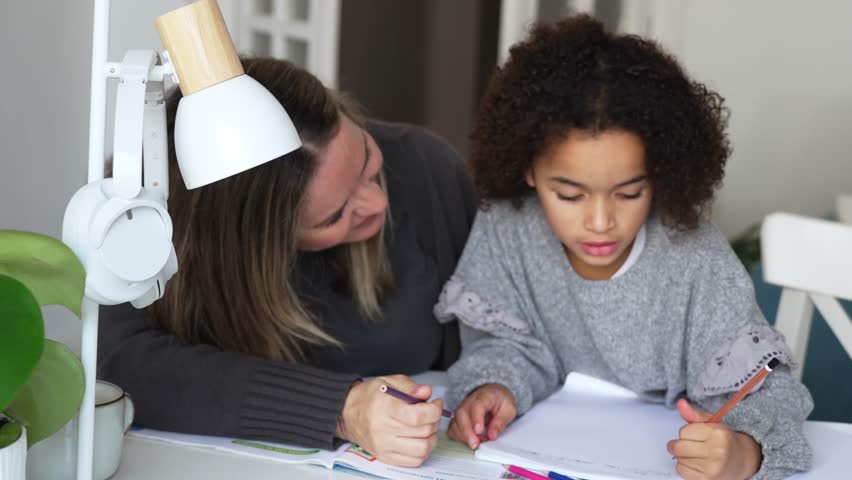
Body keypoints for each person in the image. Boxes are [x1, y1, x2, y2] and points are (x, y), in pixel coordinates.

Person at [435, 15, 813, 480]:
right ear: (528, 170)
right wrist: (496, 386)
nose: (600, 223)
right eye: (569, 195)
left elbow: (771, 394)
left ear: (661, 173)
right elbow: (509, 345)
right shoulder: (508, 226)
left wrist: (744, 451)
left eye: (630, 192)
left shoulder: (693, 255)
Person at [97, 57, 477, 467]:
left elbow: (494, 331)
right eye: (334, 216)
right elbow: (124, 367)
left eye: (367, 159)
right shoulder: (144, 220)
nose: (377, 203)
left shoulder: (427, 168)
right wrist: (342, 410)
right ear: (260, 245)